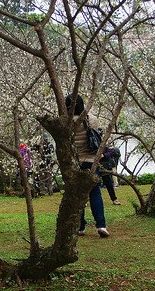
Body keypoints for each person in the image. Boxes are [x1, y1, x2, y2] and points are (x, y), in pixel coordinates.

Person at [65, 94, 109, 238]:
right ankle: (101, 225)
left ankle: (81, 226)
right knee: (95, 192)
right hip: (91, 161)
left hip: (76, 162)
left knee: (78, 194)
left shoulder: (66, 122)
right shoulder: (92, 120)